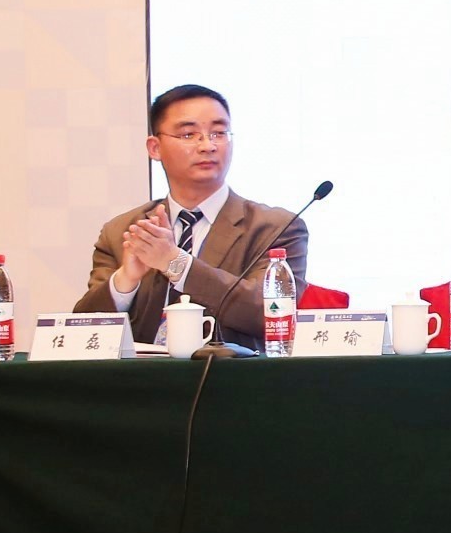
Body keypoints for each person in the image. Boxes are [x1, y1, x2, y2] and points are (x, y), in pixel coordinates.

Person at [75, 85, 309, 345]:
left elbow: (269, 315)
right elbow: (84, 334)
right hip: (141, 371)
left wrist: (174, 262)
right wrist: (125, 280)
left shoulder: (275, 228)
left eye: (219, 133)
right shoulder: (123, 231)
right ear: (155, 148)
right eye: (189, 134)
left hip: (229, 370)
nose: (208, 145)